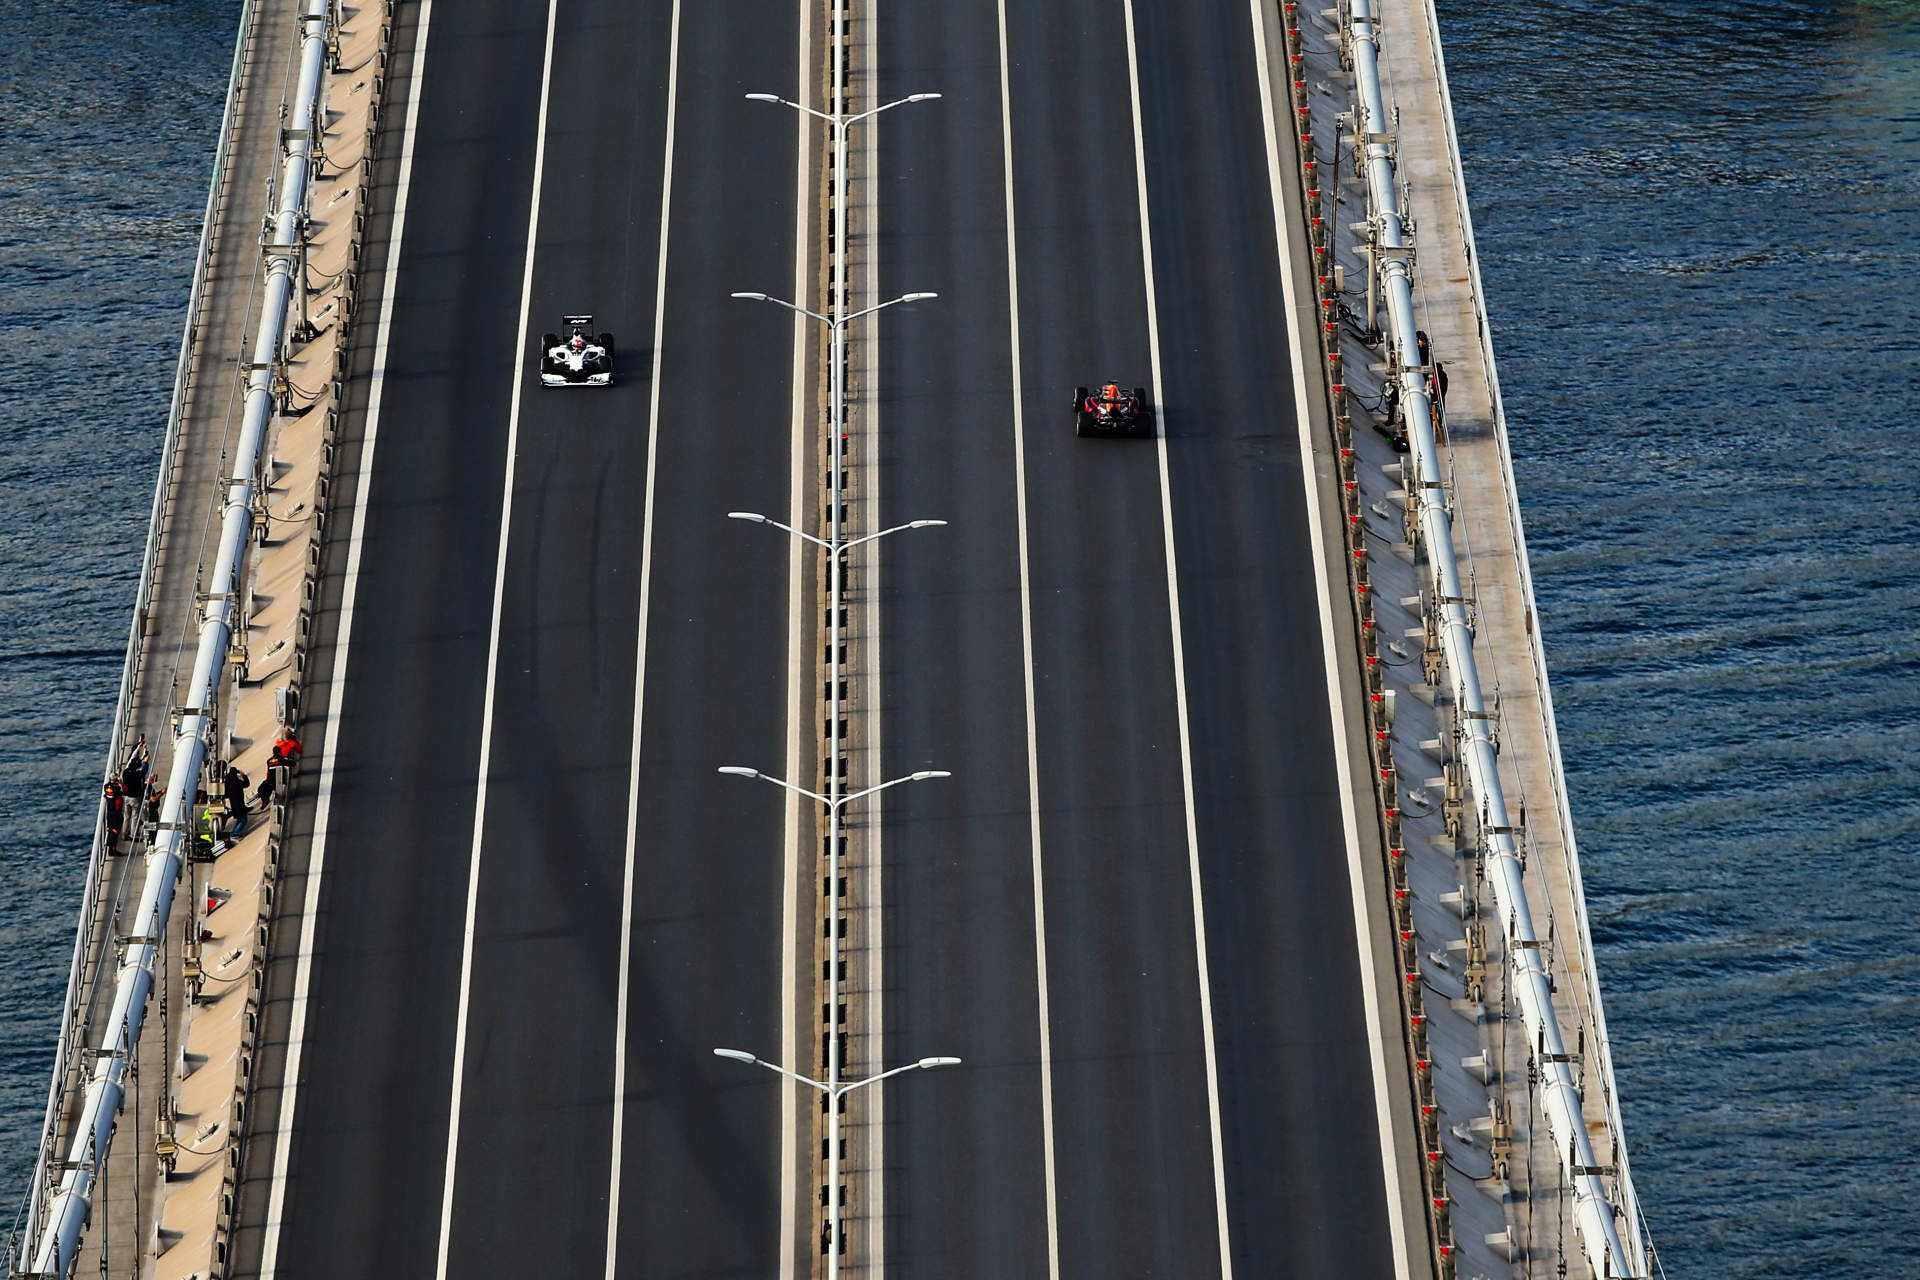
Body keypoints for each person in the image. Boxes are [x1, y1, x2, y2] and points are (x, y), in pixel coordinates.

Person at [223, 763, 251, 837]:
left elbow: (225, 794)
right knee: (243, 820)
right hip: (240, 803)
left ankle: (234, 832)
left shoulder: (227, 782)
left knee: (239, 819)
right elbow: (246, 784)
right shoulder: (237, 780)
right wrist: (244, 776)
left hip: (233, 804)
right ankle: (235, 833)